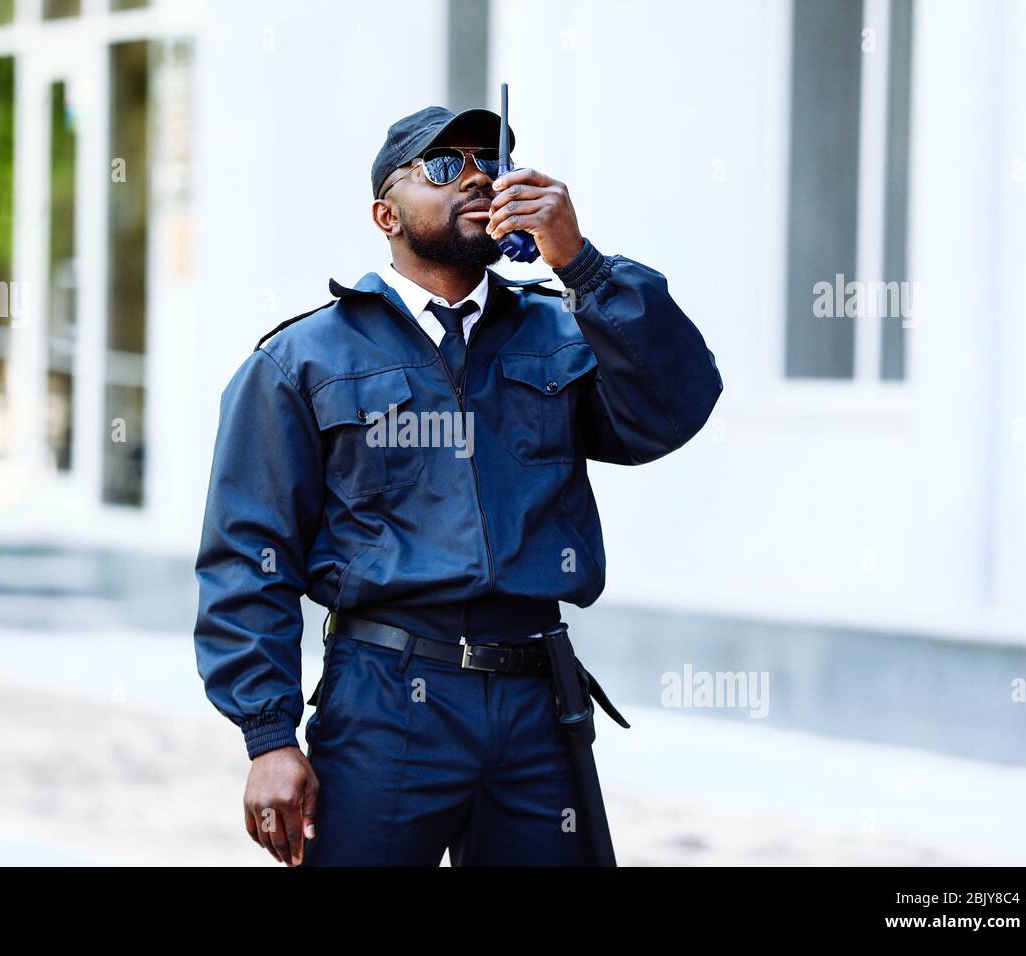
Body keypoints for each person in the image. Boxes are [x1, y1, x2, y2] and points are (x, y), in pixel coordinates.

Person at [193, 104, 723, 866]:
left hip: (535, 696)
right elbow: (249, 553)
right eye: (444, 166)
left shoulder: (563, 329)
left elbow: (675, 407)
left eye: (491, 157)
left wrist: (581, 264)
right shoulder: (302, 360)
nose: (478, 174)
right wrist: (268, 735)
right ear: (386, 214)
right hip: (385, 697)